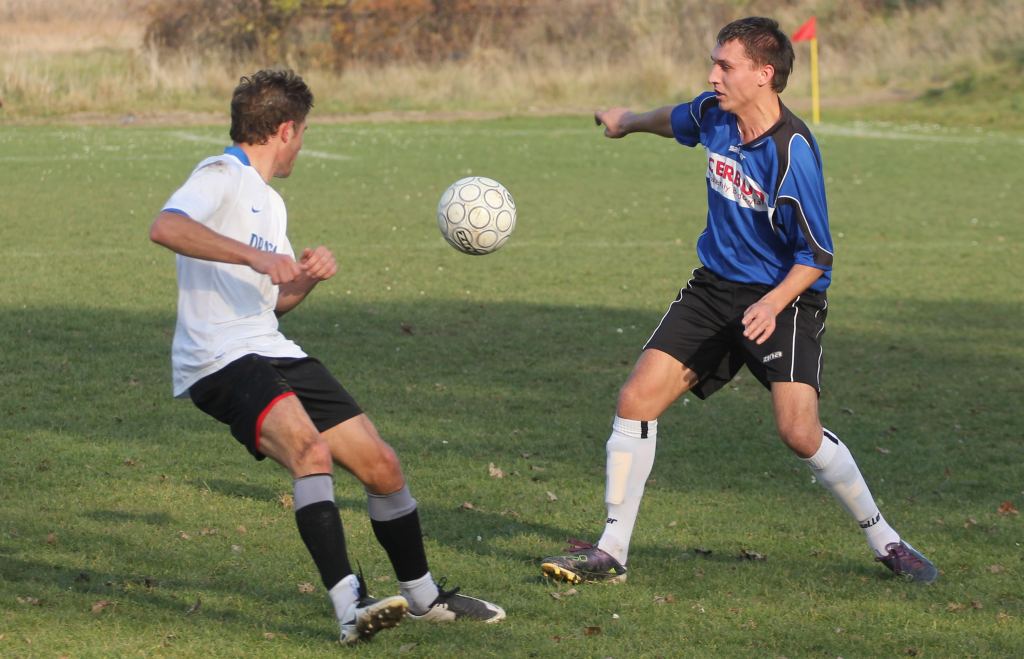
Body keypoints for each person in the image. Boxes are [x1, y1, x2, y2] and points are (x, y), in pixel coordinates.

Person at [540, 17, 937, 586]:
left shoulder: (791, 152)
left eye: (725, 66)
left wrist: (772, 304)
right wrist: (624, 122)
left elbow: (817, 256)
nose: (713, 75)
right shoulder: (713, 114)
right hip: (714, 289)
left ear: (763, 74)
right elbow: (673, 118)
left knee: (798, 433)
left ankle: (887, 540)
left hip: (786, 299)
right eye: (714, 63)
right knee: (635, 401)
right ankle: (612, 552)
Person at [149, 69, 505, 645]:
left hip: (267, 345)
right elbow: (165, 227)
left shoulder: (271, 202)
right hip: (217, 358)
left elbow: (274, 306)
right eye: (304, 131)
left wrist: (305, 279)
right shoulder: (221, 175)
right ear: (286, 129)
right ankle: (349, 607)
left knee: (381, 465)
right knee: (310, 452)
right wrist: (256, 259)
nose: (303, 144)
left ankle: (423, 597)